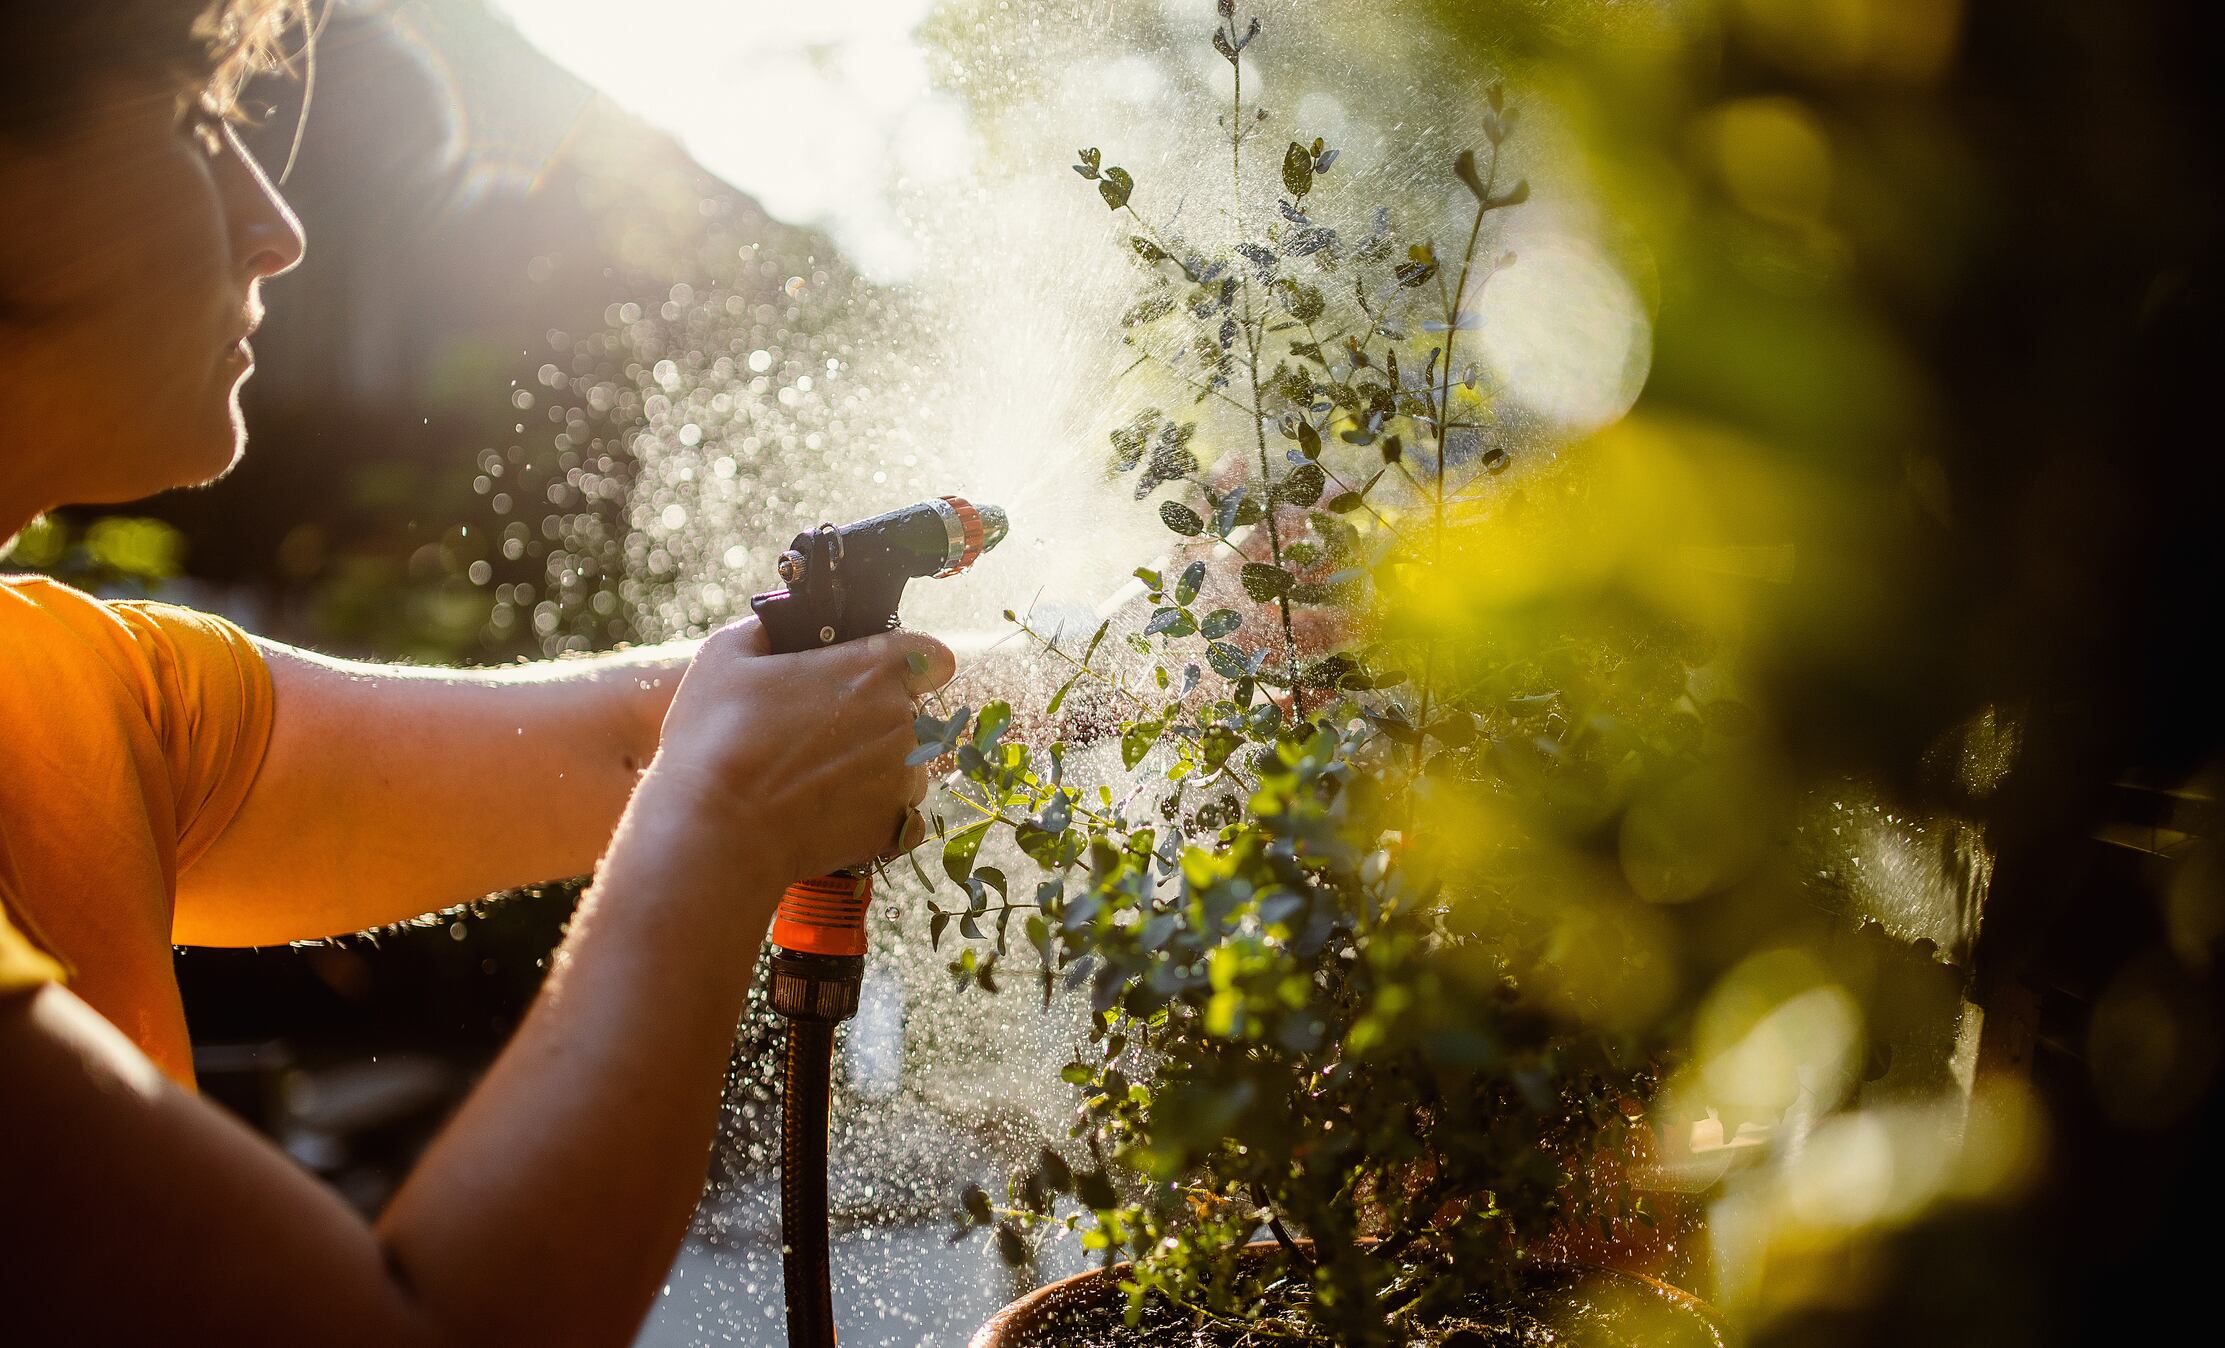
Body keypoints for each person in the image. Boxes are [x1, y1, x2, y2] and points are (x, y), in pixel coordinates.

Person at [0, 3, 952, 1342]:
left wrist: (1168, 659)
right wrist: (724, 817)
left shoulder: (68, 688)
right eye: (192, 121)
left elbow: (643, 740)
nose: (278, 223)